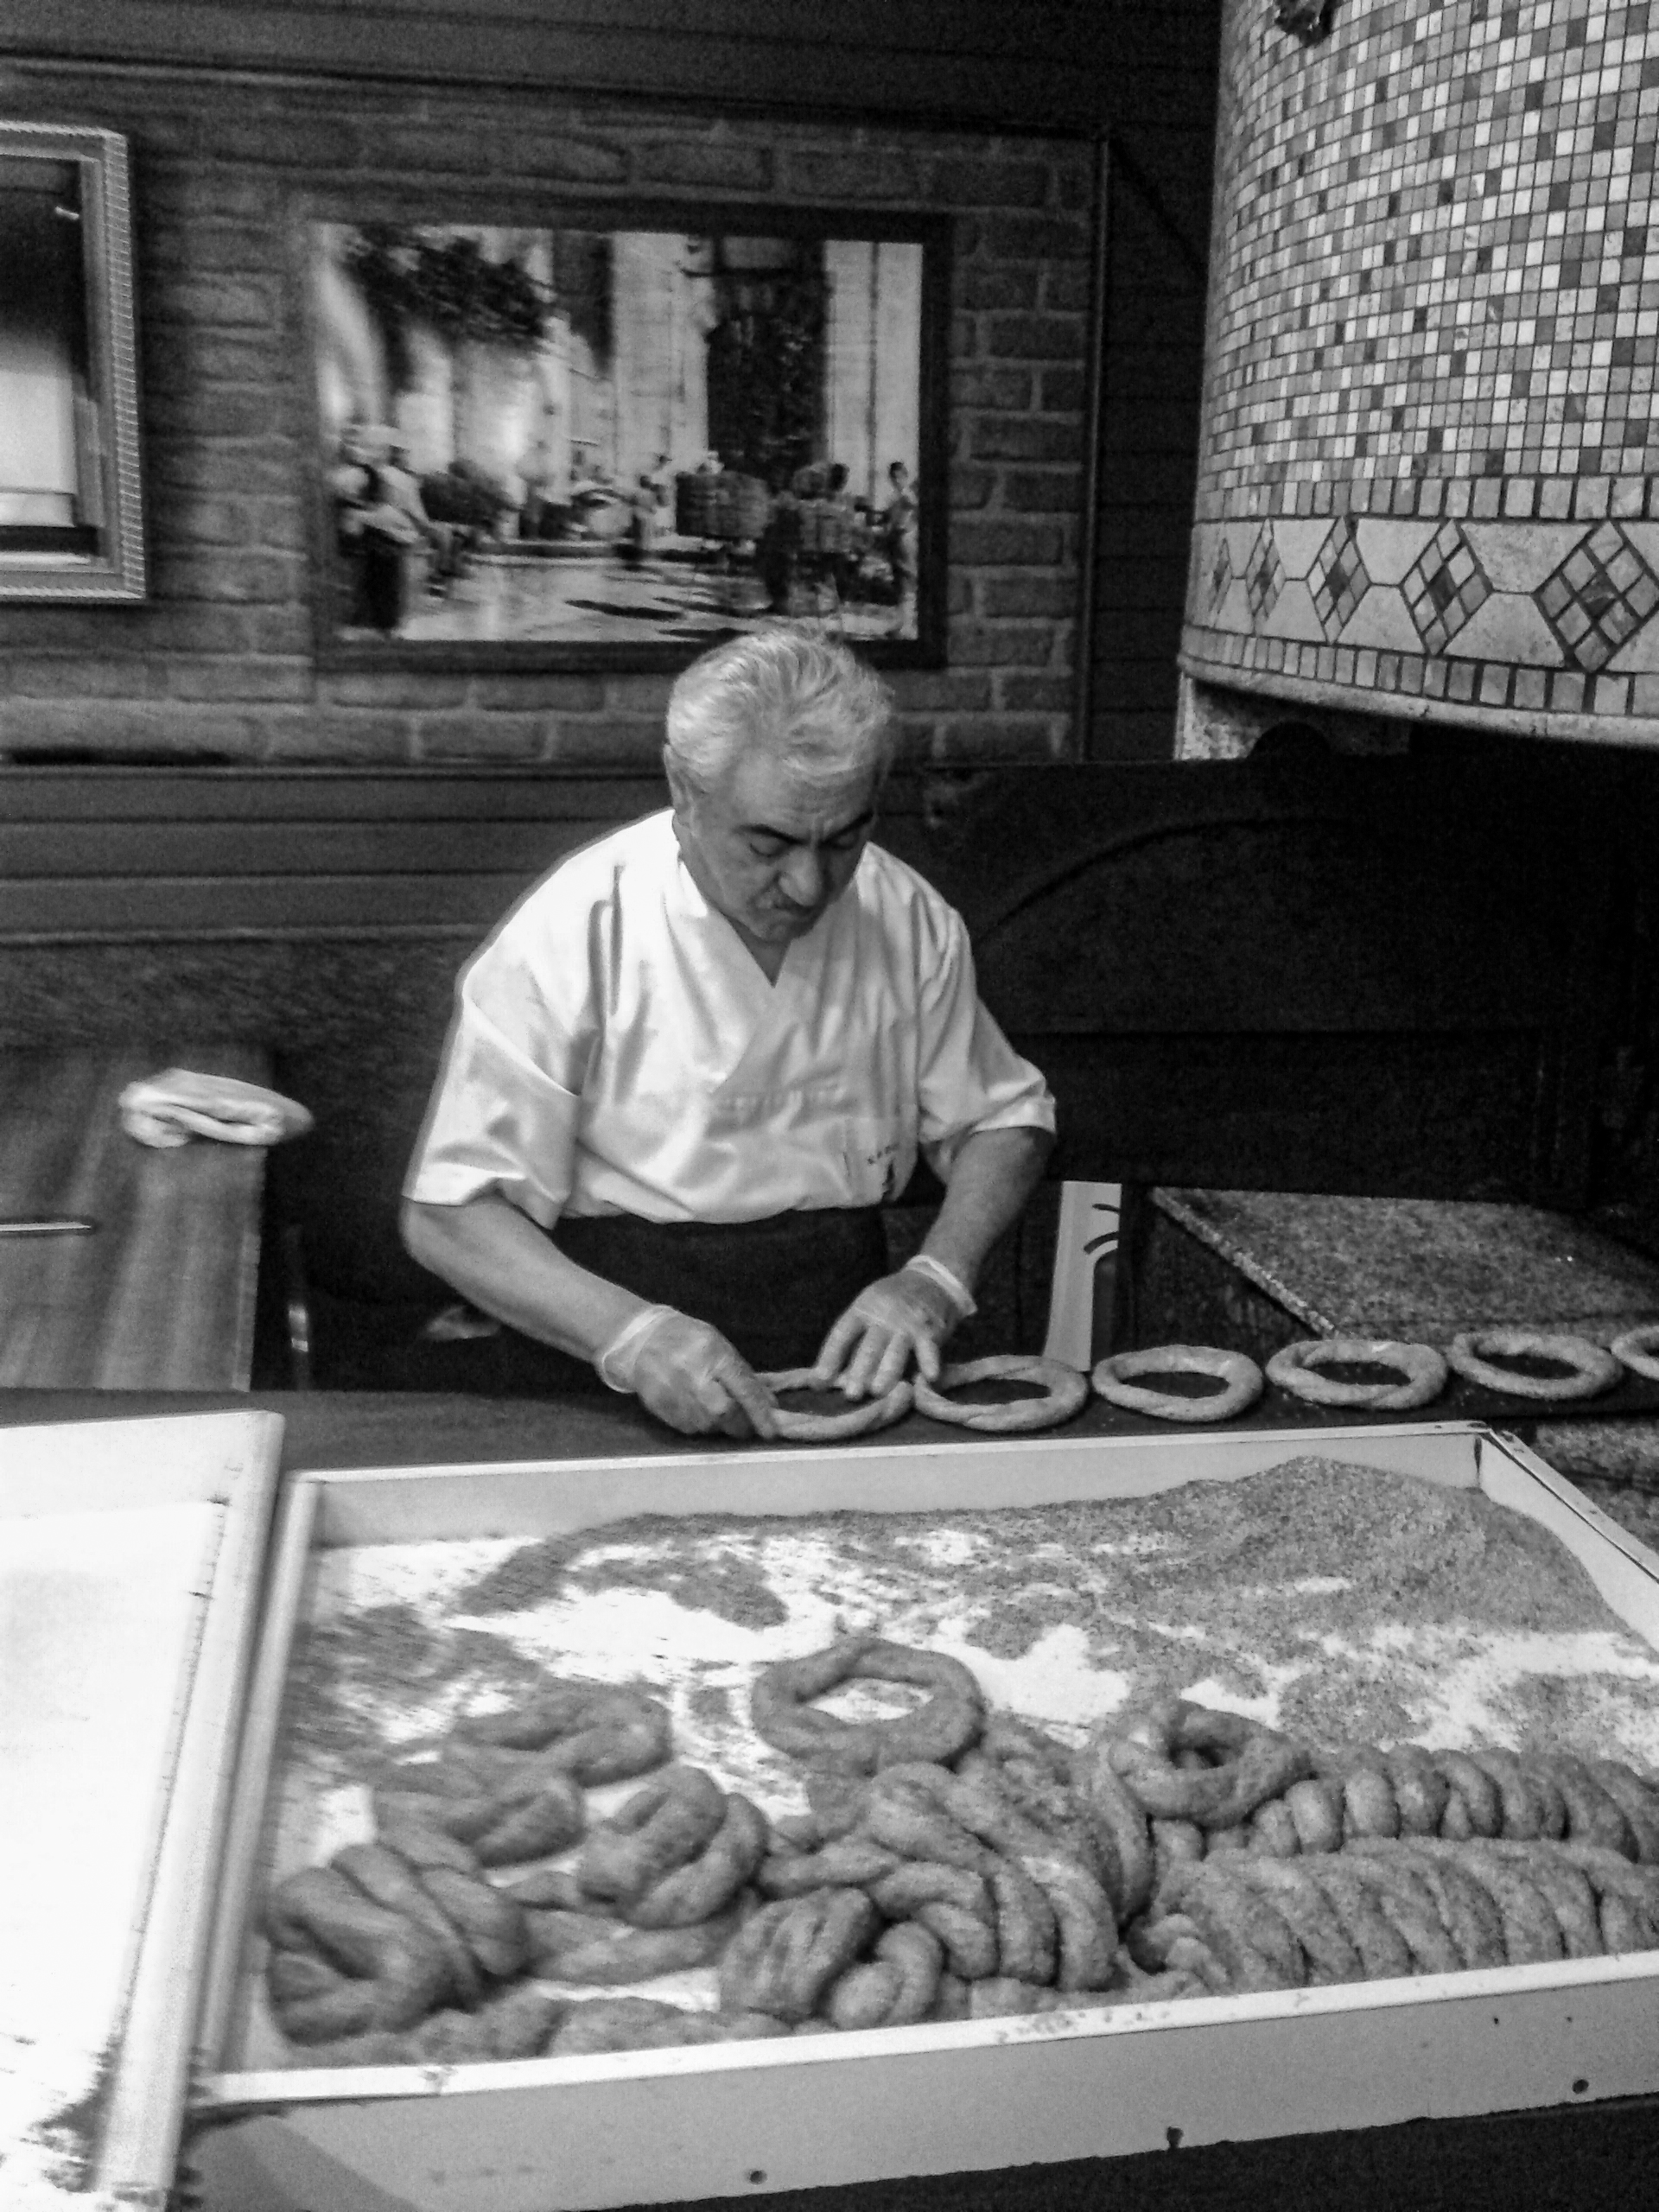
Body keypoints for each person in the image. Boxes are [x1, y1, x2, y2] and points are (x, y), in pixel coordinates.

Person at [401, 627, 1055, 1440]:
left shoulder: (906, 915)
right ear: (685, 789)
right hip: (599, 1335)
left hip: (840, 1339)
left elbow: (1003, 1120)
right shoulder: (575, 929)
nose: (809, 885)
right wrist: (632, 1338)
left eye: (844, 839)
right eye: (769, 844)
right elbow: (450, 1213)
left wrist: (936, 1277)